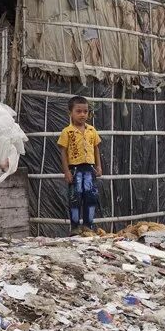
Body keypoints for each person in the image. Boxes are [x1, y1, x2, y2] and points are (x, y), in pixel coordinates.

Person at [58, 95, 104, 233]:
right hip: (75, 169)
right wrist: (66, 171)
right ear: (70, 113)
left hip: (89, 169)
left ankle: (88, 226)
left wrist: (99, 166)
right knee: (75, 197)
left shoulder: (92, 130)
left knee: (90, 197)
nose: (82, 114)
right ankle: (75, 227)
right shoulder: (67, 132)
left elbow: (96, 148)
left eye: (85, 111)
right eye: (78, 111)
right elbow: (63, 152)